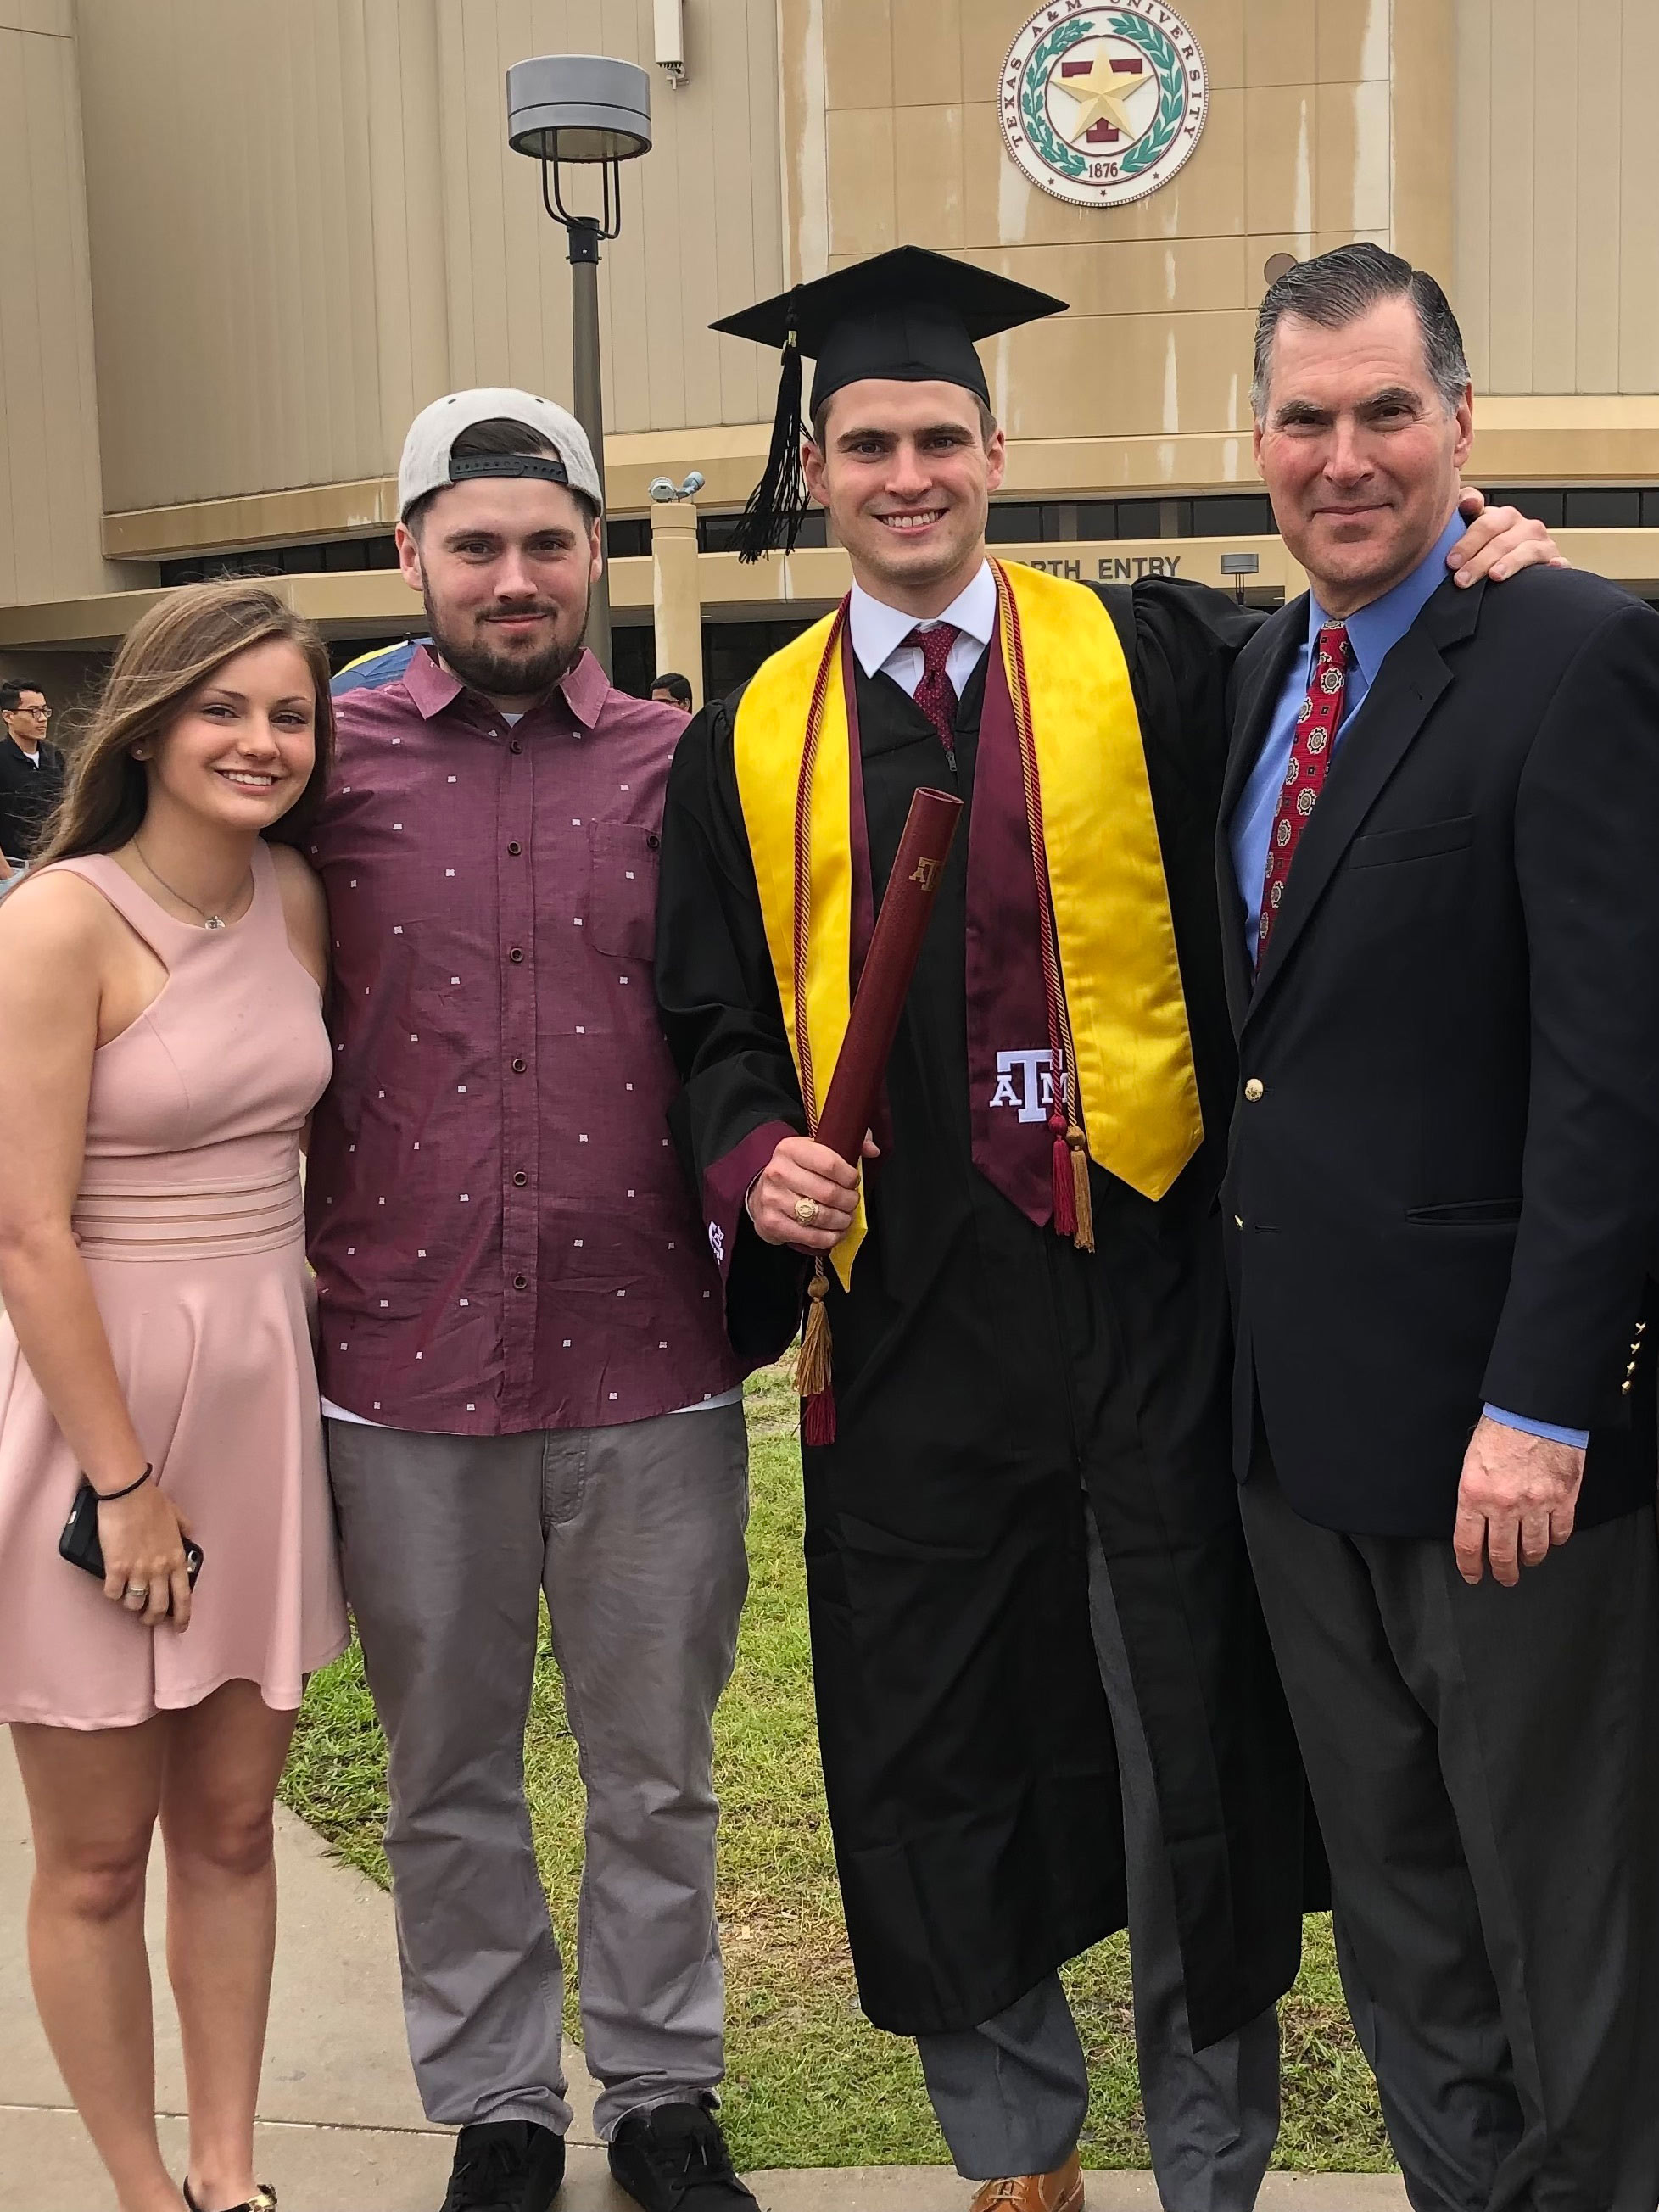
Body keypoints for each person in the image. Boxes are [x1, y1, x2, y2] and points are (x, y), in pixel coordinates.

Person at [652, 246, 1558, 2212]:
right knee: (940, 1740)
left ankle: (1208, 2158)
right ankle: (1015, 2151)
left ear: (997, 450)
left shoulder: (1149, 653)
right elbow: (713, 1022)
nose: (905, 473)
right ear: (819, 465)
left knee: (1188, 1752)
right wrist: (751, 1161)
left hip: (1148, 1293)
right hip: (906, 1327)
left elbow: (1366, 665)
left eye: (937, 439)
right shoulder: (744, 740)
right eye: (868, 442)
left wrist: (1483, 551)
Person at [1219, 242, 1659, 2212]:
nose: (1344, 454)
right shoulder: (1247, 677)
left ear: (1461, 428)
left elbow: (1611, 1075)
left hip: (1505, 1454)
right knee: (1397, 1911)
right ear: (1254, 443)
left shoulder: (1572, 650)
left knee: (1564, 1914)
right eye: (1305, 417)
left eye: (1386, 410)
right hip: (1293, 1441)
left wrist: (1544, 1403)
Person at [304, 390, 759, 2212]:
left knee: (656, 1761)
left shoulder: (681, 765)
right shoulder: (312, 760)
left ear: (592, 556)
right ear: (409, 553)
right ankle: (498, 2095)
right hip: (399, 1360)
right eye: (475, 542)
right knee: (445, 1768)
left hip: (650, 1355)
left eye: (547, 541)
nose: (514, 575)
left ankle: (660, 2088)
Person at [0, 584, 349, 2212]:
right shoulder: (57, 919)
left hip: (262, 1404)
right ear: (147, 720)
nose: (260, 741)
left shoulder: (294, 895)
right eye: (225, 708)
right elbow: (25, 1226)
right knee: (90, 1855)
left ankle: (229, 2178)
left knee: (230, 1825)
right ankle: (144, 2192)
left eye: (288, 713)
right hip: (97, 1415)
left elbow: (291, 1147)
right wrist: (126, 1483)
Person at [0, 677, 65, 891]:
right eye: (33, 712)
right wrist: (7, 875)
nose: (42, 719)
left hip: (52, 866)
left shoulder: (54, 756)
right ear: (9, 716)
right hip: (13, 870)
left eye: (45, 711)